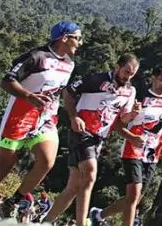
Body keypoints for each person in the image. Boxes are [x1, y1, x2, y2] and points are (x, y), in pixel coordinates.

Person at [0, 21, 82, 219]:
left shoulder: (69, 64)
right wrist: (29, 96)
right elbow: (6, 81)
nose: (80, 42)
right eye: (78, 38)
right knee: (3, 168)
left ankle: (14, 200)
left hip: (45, 120)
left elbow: (60, 90)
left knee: (47, 162)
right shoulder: (36, 57)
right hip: (18, 118)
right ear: (65, 38)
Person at [42, 54, 142, 226]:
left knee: (73, 187)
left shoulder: (130, 91)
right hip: (81, 131)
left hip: (98, 138)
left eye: (132, 74)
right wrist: (74, 117)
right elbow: (68, 92)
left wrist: (132, 115)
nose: (128, 77)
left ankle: (45, 222)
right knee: (90, 175)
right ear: (117, 67)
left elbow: (120, 121)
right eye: (126, 72)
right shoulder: (97, 80)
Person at [89, 64, 162, 226]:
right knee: (134, 195)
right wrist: (132, 130)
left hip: (153, 154)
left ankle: (99, 214)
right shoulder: (138, 95)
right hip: (132, 150)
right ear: (153, 78)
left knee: (135, 198)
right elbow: (119, 122)